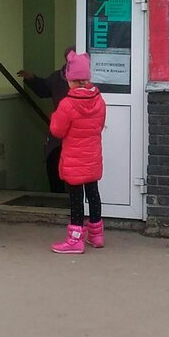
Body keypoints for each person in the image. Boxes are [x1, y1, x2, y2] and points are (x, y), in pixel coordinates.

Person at [48, 52, 106, 254]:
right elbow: (99, 126)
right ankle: (96, 235)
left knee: (76, 198)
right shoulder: (99, 100)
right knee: (93, 193)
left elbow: (57, 131)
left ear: (71, 80)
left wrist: (55, 117)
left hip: (74, 159)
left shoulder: (67, 104)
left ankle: (75, 239)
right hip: (92, 156)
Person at [18, 48, 74, 192]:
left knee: (77, 172)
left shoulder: (87, 80)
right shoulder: (58, 77)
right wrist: (32, 79)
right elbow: (44, 90)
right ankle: (58, 196)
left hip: (76, 134)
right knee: (54, 163)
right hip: (59, 134)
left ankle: (75, 199)